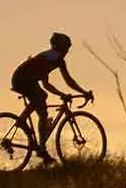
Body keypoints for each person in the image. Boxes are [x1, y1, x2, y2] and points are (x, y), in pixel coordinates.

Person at [11, 32, 94, 163]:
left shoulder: (57, 59)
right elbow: (47, 84)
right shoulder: (49, 58)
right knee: (40, 101)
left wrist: (83, 92)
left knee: (42, 104)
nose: (68, 51)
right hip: (21, 79)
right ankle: (23, 123)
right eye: (67, 47)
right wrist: (63, 95)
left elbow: (68, 80)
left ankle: (41, 148)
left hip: (28, 80)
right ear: (61, 47)